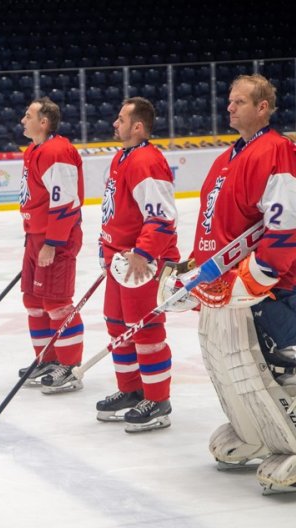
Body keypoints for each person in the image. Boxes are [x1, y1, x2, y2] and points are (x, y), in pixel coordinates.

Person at [177, 74, 296, 493]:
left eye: (240, 101)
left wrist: (261, 275)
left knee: (273, 367)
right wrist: (192, 270)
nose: (230, 107)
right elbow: (217, 229)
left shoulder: (276, 151)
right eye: (230, 100)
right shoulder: (226, 157)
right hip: (224, 285)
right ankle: (255, 430)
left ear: (263, 107)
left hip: (268, 287)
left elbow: (284, 226)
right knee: (227, 361)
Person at [96, 97, 179, 430]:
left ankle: (157, 400)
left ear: (138, 126)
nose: (115, 124)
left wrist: (144, 253)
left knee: (145, 331)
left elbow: (161, 217)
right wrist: (105, 250)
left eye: (121, 119)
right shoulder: (122, 157)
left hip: (140, 262)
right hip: (119, 260)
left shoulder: (146, 160)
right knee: (118, 326)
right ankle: (131, 390)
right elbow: (115, 212)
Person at [17, 97, 84, 394]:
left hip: (55, 240)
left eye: (28, 115)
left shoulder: (57, 152)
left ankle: (69, 366)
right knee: (33, 301)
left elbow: (66, 202)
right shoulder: (34, 150)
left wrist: (52, 242)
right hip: (37, 237)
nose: (22, 120)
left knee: (57, 303)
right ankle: (47, 358)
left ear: (43, 122)